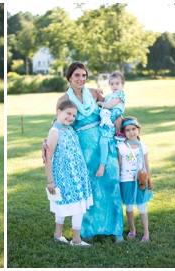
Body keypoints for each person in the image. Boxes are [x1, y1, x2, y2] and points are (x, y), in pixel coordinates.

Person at [55, 62, 124, 241]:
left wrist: (120, 119)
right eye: (77, 75)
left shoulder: (93, 93)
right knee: (90, 188)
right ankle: (89, 230)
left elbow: (113, 109)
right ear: (69, 77)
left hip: (104, 142)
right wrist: (46, 142)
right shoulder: (63, 99)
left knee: (111, 183)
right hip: (82, 148)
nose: (81, 79)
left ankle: (116, 229)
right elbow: (57, 123)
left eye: (84, 75)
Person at [45, 100, 95, 246]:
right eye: (68, 113)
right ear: (59, 112)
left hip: (78, 173)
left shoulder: (68, 128)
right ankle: (76, 240)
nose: (71, 117)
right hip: (65, 176)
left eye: (74, 115)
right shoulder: (54, 132)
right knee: (75, 205)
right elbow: (47, 158)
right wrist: (50, 181)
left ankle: (58, 234)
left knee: (68, 204)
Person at [117, 116, 153, 242]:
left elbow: (146, 165)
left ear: (138, 130)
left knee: (142, 206)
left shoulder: (143, 147)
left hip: (140, 181)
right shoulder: (121, 146)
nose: (131, 132)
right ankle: (132, 229)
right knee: (129, 207)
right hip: (126, 180)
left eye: (133, 129)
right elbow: (120, 165)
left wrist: (149, 180)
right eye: (128, 130)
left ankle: (146, 232)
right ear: (124, 132)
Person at [96, 72, 126, 178]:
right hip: (106, 120)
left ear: (123, 84)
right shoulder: (110, 95)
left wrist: (99, 104)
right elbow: (104, 99)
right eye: (112, 84)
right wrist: (97, 92)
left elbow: (109, 105)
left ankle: (102, 165)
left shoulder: (120, 95)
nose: (114, 86)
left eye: (117, 83)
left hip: (112, 122)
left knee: (103, 141)